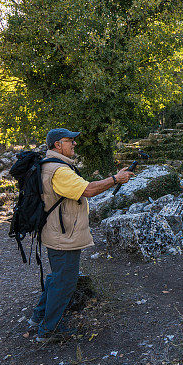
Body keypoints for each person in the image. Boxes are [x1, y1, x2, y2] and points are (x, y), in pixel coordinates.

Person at [28, 128, 133, 342]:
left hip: (58, 232)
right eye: (70, 141)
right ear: (58, 144)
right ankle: (50, 330)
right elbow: (88, 190)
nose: (74, 144)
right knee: (65, 281)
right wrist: (115, 179)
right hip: (63, 236)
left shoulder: (51, 165)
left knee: (57, 277)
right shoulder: (59, 170)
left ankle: (38, 317)